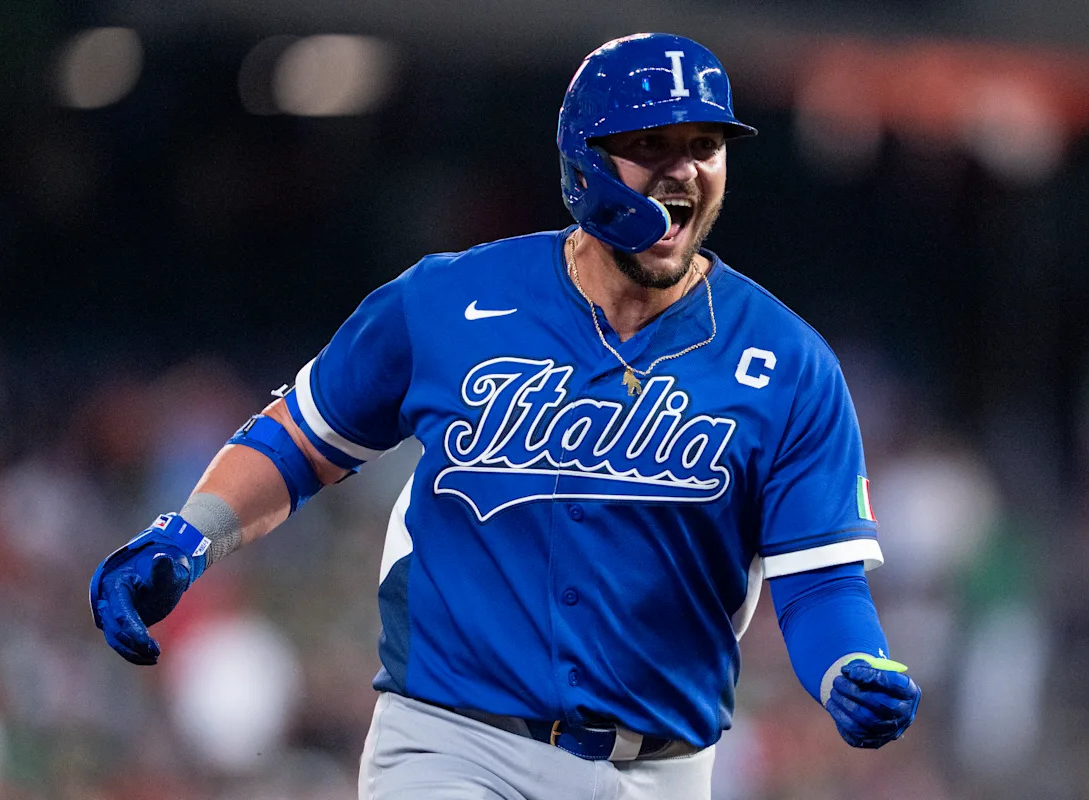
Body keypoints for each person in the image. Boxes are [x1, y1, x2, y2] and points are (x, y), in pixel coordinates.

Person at [90, 32, 920, 800]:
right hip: (453, 744)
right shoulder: (447, 302)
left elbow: (820, 586)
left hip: (660, 772)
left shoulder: (788, 363)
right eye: (650, 146)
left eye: (703, 147)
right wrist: (192, 532)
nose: (683, 170)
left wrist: (850, 665)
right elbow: (302, 438)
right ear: (584, 163)